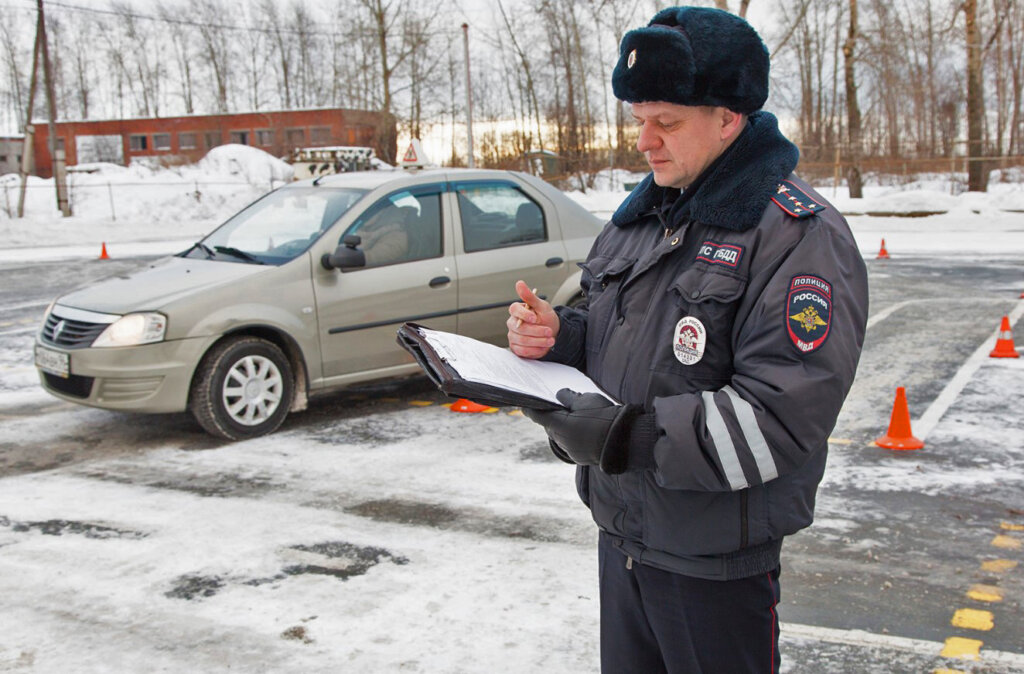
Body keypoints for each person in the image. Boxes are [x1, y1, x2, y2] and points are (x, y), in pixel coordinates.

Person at [507, 7, 869, 673]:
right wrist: (559, 337)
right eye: (638, 120)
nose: (644, 141)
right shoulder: (639, 220)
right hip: (623, 541)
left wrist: (625, 436)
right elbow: (615, 336)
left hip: (714, 567)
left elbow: (782, 414)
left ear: (728, 118)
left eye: (666, 122)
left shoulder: (795, 234)